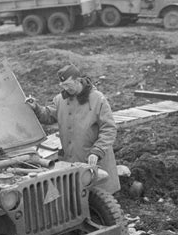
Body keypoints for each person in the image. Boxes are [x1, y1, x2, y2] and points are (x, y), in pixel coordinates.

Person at [26, 64, 120, 194]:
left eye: (68, 85)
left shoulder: (98, 99)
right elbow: (48, 116)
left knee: (101, 201)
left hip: (95, 160)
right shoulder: (60, 99)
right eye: (63, 85)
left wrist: (97, 151)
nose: (65, 89)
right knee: (77, 199)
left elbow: (109, 128)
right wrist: (36, 107)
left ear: (77, 80)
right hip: (72, 160)